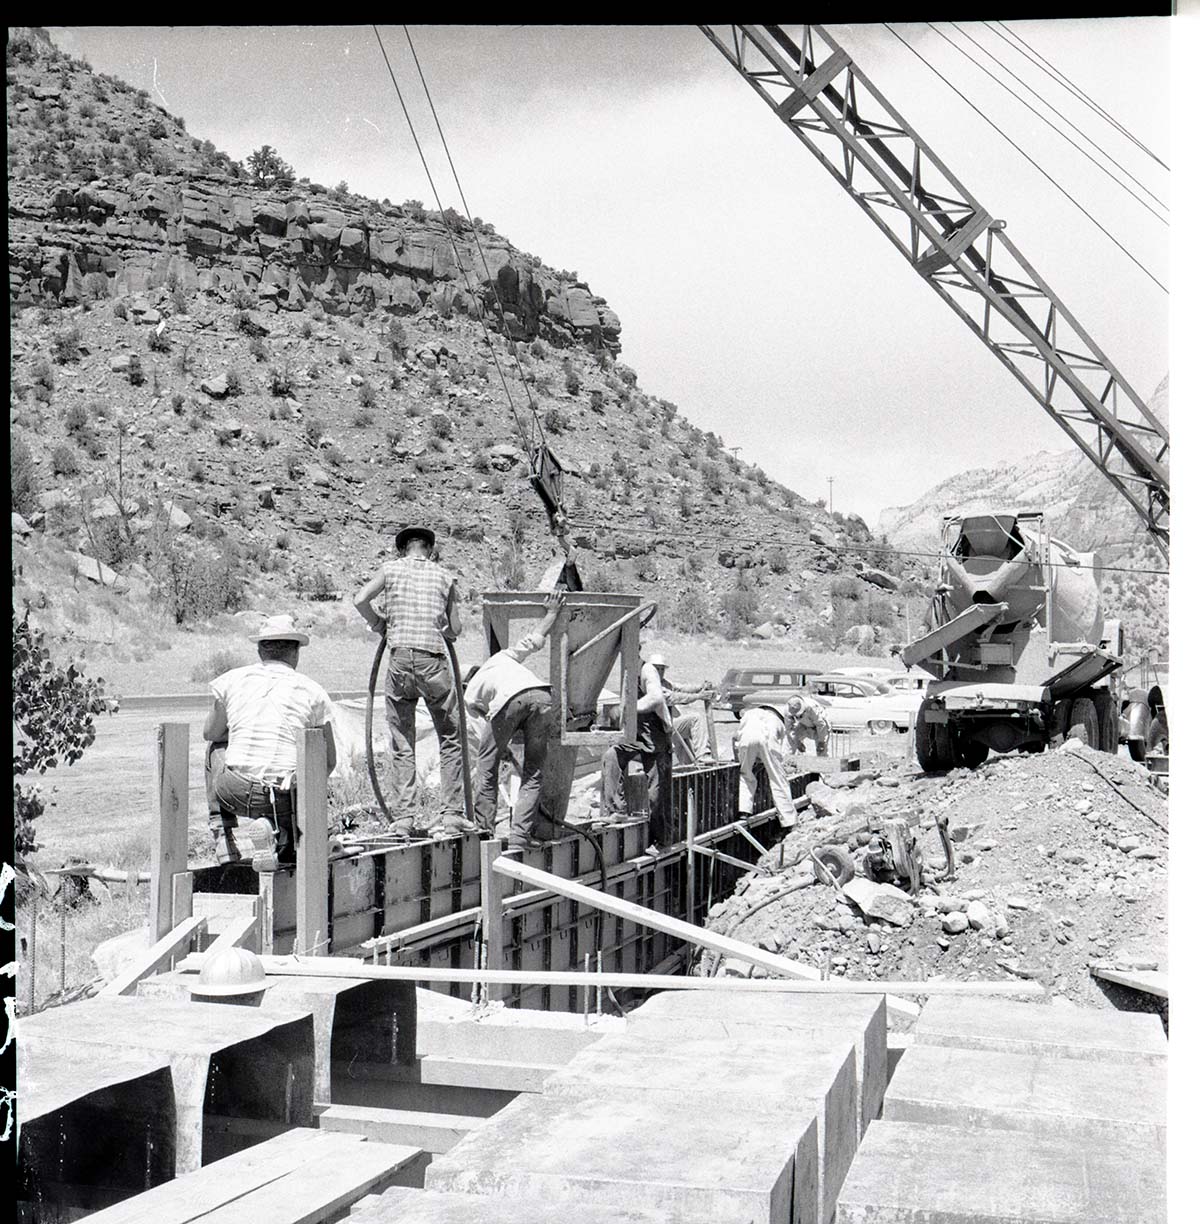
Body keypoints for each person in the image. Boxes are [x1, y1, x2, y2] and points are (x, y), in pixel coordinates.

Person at [353, 525, 468, 835]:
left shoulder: (390, 569)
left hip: (400, 661)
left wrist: (379, 623)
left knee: (403, 740)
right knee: (451, 737)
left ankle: (404, 818)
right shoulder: (445, 576)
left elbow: (360, 598)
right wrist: (444, 628)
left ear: (403, 549)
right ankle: (452, 814)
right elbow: (456, 628)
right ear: (429, 550)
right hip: (433, 661)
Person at [203, 614, 337, 870]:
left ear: (260, 650)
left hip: (234, 791)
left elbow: (210, 732)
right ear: (296, 652)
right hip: (286, 800)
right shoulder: (313, 691)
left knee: (216, 748)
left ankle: (223, 837)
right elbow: (329, 762)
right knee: (299, 775)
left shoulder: (232, 680)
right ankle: (282, 835)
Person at [464, 592, 565, 853]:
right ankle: (520, 837)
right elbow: (533, 641)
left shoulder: (469, 692)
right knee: (534, 772)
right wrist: (552, 613)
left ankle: (485, 834)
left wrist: (502, 749)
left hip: (510, 702)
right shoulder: (500, 658)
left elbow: (482, 738)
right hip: (543, 696)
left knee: (486, 767)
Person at [599, 647, 674, 852]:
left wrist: (628, 709)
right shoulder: (625, 672)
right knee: (611, 756)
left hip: (656, 737)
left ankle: (661, 840)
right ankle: (617, 810)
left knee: (655, 792)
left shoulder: (647, 669)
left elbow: (655, 698)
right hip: (635, 736)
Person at [733, 704, 802, 828]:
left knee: (745, 774)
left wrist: (740, 759)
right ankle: (790, 821)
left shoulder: (751, 713)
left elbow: (735, 738)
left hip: (746, 735)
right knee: (778, 779)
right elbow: (781, 752)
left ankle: (744, 810)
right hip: (768, 737)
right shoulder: (780, 722)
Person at [645, 653, 717, 765]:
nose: (660, 671)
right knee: (695, 719)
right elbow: (675, 697)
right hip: (659, 730)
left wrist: (700, 687)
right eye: (657, 668)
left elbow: (682, 688)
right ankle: (703, 754)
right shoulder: (651, 686)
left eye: (662, 669)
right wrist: (699, 696)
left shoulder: (664, 683)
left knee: (688, 761)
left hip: (670, 727)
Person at [785, 692, 831, 757]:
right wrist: (797, 742)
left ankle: (822, 763)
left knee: (821, 750)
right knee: (791, 742)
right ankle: (788, 761)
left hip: (820, 727)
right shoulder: (787, 711)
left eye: (799, 715)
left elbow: (821, 724)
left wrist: (821, 742)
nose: (797, 717)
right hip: (803, 724)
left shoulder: (811, 708)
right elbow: (789, 729)